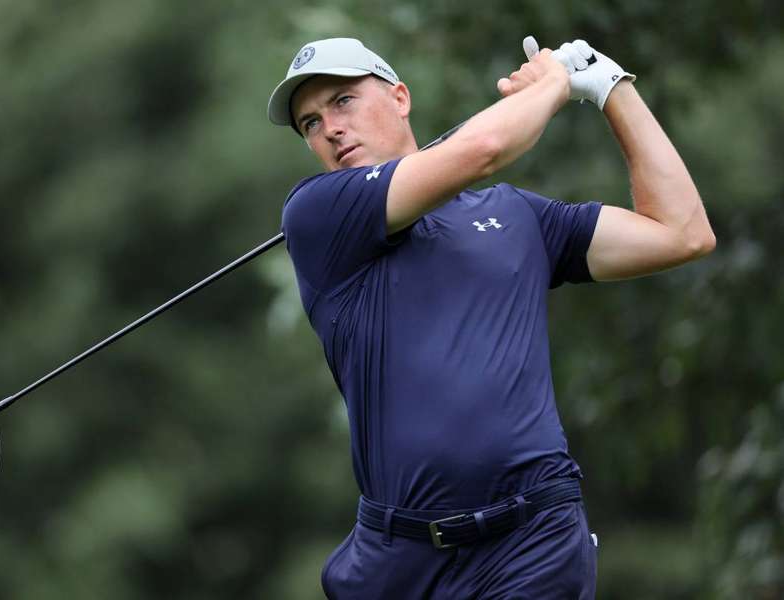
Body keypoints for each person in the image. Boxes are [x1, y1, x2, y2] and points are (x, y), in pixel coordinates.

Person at [267, 36, 715, 599]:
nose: (329, 128)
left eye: (343, 101)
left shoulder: (514, 214)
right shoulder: (317, 214)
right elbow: (484, 147)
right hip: (401, 562)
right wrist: (554, 84)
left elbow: (683, 233)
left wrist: (609, 87)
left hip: (535, 542)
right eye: (309, 123)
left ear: (400, 98)